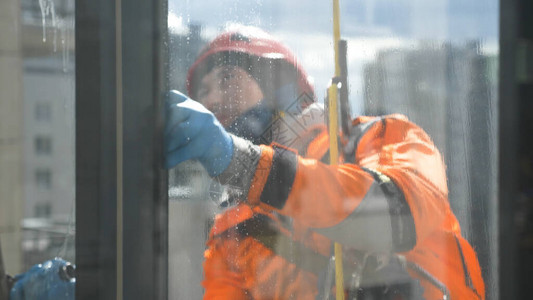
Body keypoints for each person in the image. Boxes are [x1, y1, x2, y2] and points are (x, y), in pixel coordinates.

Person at [165, 25, 485, 299]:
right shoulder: (233, 228)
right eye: (203, 93)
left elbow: (396, 216)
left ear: (281, 88)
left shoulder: (384, 139)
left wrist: (245, 164)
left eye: (228, 80)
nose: (213, 102)